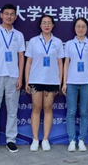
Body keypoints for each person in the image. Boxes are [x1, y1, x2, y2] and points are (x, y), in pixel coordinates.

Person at [0, 4, 26, 153]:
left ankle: (11, 140)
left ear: (15, 16)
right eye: (6, 13)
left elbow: (21, 57)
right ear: (1, 15)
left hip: (13, 76)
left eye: (12, 14)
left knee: (12, 110)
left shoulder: (18, 35)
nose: (9, 16)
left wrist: (20, 77)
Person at [25, 15, 64, 151]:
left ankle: (45, 139)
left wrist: (60, 82)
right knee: (36, 108)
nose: (46, 25)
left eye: (49, 23)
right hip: (36, 79)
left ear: (53, 25)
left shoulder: (58, 42)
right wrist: (27, 81)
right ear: (40, 25)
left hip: (51, 80)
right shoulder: (33, 41)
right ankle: (35, 139)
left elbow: (60, 63)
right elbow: (28, 62)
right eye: (44, 23)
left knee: (48, 109)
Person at [63, 18, 88, 152]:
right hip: (72, 82)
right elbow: (66, 63)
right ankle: (72, 140)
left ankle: (82, 140)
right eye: (78, 26)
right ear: (74, 28)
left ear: (86, 28)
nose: (80, 29)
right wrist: (64, 82)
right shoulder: (69, 44)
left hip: (87, 82)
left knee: (84, 112)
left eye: (83, 26)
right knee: (71, 112)